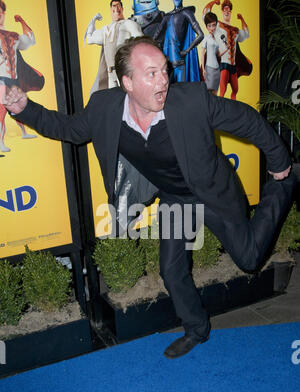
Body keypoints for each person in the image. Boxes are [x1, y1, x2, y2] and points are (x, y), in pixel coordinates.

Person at [3, 36, 299, 359]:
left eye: (164, 70)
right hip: (175, 197)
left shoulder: (191, 101)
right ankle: (197, 328)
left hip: (211, 193)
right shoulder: (106, 108)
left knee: (249, 258)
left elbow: (248, 120)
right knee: (171, 270)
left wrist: (280, 162)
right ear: (127, 82)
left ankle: (284, 186)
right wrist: (25, 109)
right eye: (152, 74)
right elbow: (69, 129)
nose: (163, 80)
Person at [0, 1, 44, 152]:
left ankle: (24, 133)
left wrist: (22, 21)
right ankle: (0, 142)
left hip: (14, 79)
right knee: (2, 110)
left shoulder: (13, 36)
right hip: (1, 79)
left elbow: (30, 40)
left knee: (17, 106)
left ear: (3, 14)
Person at [84, 0, 142, 92]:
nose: (116, 8)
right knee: (114, 98)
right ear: (110, 9)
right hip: (110, 73)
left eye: (118, 6)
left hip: (125, 71)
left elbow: (141, 41)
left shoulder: (128, 24)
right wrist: (93, 21)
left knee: (127, 96)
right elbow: (89, 39)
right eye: (113, 6)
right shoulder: (106, 29)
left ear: (122, 9)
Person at [203, 0, 251, 100]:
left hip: (233, 65)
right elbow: (205, 14)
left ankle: (232, 111)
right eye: (225, 9)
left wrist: (241, 19)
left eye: (229, 10)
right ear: (222, 11)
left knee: (235, 90)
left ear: (230, 12)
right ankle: (219, 110)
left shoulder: (236, 30)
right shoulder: (217, 26)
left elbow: (246, 34)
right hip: (223, 64)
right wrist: (214, 2)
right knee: (222, 90)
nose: (227, 11)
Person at [153, 0, 204, 83]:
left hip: (179, 63)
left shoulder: (186, 12)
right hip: (167, 65)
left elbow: (201, 35)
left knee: (180, 92)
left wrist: (187, 50)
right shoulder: (167, 16)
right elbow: (154, 38)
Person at [201, 12, 228, 95]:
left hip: (217, 69)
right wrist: (203, 68)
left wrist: (227, 49)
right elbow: (202, 54)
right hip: (209, 68)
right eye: (209, 25)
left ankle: (214, 108)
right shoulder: (206, 38)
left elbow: (218, 55)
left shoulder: (217, 39)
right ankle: (208, 108)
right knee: (209, 92)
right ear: (206, 26)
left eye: (214, 25)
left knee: (215, 93)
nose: (212, 28)